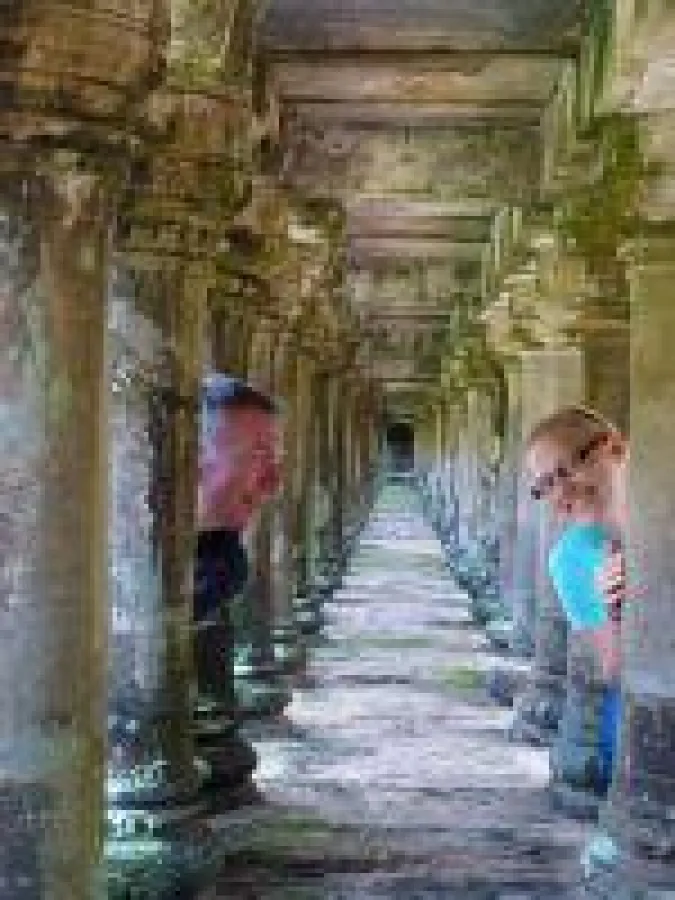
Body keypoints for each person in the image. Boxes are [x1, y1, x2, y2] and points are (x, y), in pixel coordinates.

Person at [524, 405, 629, 795]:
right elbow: (616, 670)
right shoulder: (572, 557)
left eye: (566, 470)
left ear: (614, 448)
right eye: (545, 486)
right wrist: (619, 609)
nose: (561, 494)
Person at [195, 373, 281, 623]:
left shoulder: (225, 566)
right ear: (191, 456)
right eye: (258, 454)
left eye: (273, 458)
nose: (273, 482)